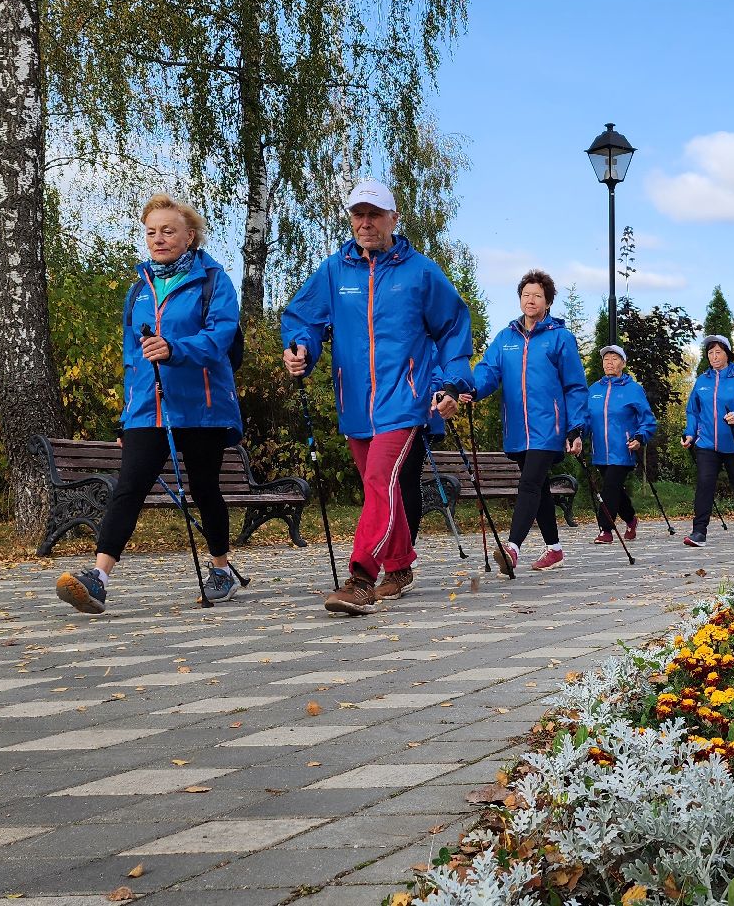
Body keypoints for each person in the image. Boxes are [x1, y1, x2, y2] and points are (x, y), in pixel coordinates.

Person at [280, 181, 474, 616]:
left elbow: (452, 330)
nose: (365, 223)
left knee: (378, 481)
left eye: (374, 214)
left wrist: (450, 383)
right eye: (357, 215)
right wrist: (301, 348)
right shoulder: (334, 270)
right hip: (355, 402)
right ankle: (401, 565)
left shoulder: (421, 271)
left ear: (393, 219)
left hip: (405, 398)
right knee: (380, 483)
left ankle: (362, 577)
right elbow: (302, 319)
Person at [56, 194, 246, 615]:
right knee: (129, 487)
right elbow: (131, 358)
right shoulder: (139, 289)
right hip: (149, 408)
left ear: (189, 235)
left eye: (168, 231)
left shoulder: (214, 281)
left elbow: (220, 338)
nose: (158, 239)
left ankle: (220, 569)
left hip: (203, 407)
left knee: (204, 488)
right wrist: (127, 416)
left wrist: (175, 348)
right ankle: (99, 579)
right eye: (151, 232)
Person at [461, 270, 589, 573]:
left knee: (529, 483)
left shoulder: (560, 338)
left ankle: (512, 548)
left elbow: (575, 386)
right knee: (540, 487)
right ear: (520, 298)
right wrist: (473, 389)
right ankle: (554, 549)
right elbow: (489, 371)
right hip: (517, 428)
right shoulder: (506, 338)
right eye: (526, 295)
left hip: (549, 427)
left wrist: (575, 427)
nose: (531, 300)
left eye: (538, 296)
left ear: (547, 302)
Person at [682, 335, 734, 547]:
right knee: (705, 485)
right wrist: (690, 433)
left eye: (718, 352)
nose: (714, 356)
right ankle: (699, 532)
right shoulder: (702, 380)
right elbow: (693, 411)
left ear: (727, 354)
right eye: (710, 353)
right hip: (707, 443)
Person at [588, 345, 657, 544]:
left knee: (609, 487)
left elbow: (648, 420)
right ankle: (630, 519)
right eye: (606, 359)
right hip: (600, 450)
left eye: (614, 359)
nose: (609, 363)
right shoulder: (593, 390)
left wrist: (640, 437)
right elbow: (584, 418)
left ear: (623, 363)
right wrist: (576, 434)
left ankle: (605, 530)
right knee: (615, 489)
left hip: (623, 450)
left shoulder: (633, 389)